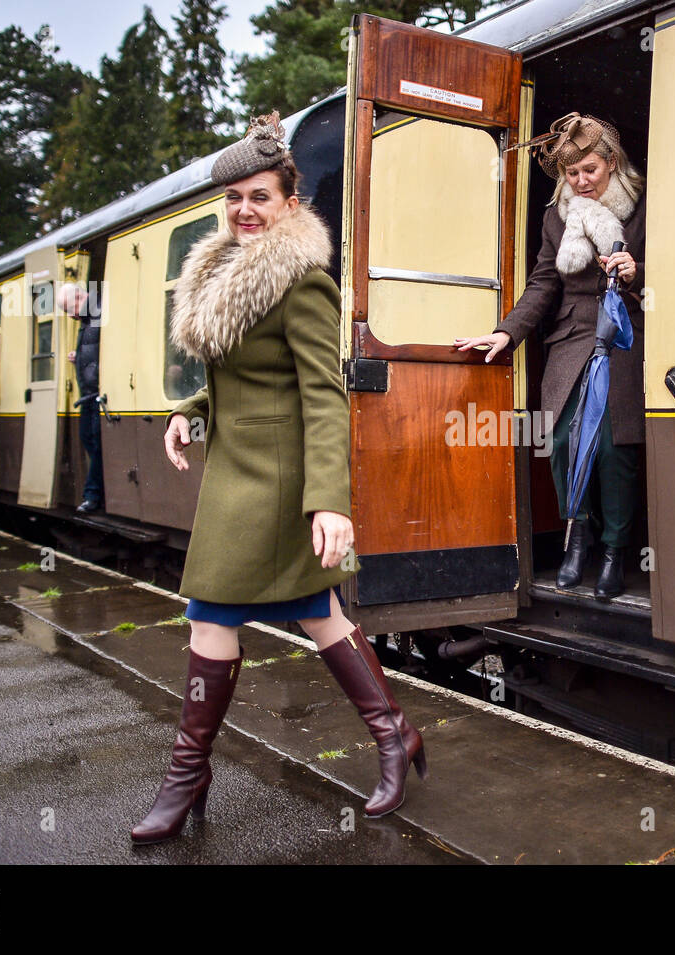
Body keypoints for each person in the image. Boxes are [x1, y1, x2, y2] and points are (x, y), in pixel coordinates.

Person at [131, 113, 426, 845]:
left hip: (278, 477)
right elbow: (241, 379)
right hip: (237, 466)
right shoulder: (226, 269)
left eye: (259, 196)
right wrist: (189, 411)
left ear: (290, 201)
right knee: (316, 611)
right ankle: (394, 734)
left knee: (211, 610)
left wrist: (329, 500)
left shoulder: (300, 282)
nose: (244, 210)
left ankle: (187, 774)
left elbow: (322, 393)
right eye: (232, 198)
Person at [455, 113, 646, 599]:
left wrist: (636, 270)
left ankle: (613, 553)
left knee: (612, 448)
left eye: (590, 170)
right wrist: (507, 333)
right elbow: (543, 283)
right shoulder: (555, 216)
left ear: (611, 163)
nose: (581, 181)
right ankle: (575, 541)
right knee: (562, 443)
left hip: (623, 337)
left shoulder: (643, 207)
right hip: (568, 342)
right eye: (571, 173)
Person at [58, 282, 104, 513]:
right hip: (88, 395)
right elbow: (94, 349)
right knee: (89, 439)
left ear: (79, 298)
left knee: (97, 445)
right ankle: (95, 494)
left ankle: (94, 497)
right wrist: (81, 357)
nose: (71, 316)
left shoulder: (100, 309)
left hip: (99, 394)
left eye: (69, 310)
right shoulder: (87, 317)